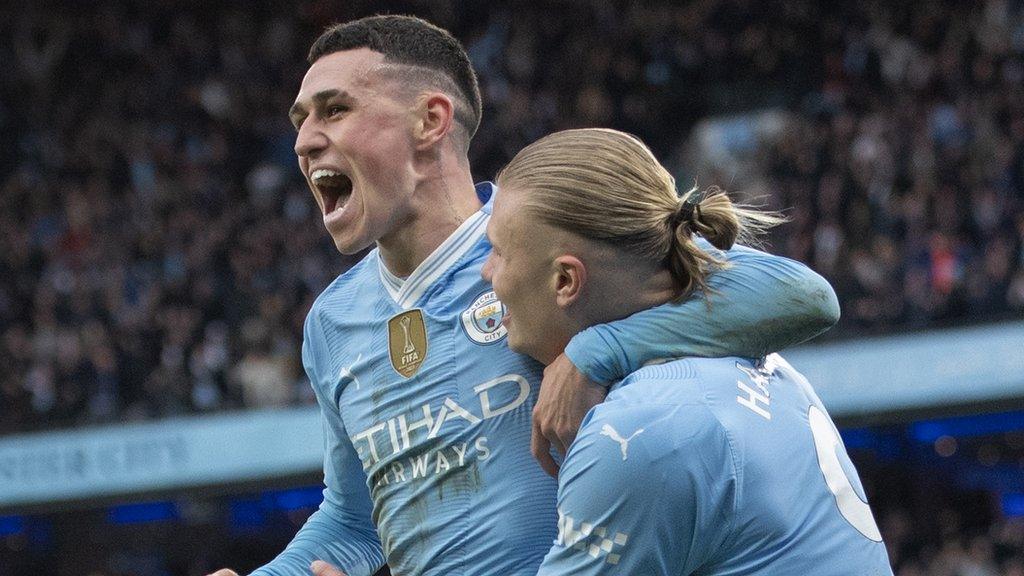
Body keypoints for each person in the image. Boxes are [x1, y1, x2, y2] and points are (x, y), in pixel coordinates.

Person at [210, 16, 841, 576]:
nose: (304, 140)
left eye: (334, 109)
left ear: (431, 120)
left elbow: (802, 296)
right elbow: (352, 520)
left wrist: (600, 348)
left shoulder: (549, 239)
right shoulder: (332, 324)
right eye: (300, 120)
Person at [482, 128, 893, 575]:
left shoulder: (640, 432)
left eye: (499, 253)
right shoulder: (727, 335)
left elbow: (815, 296)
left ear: (566, 281)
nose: (485, 273)